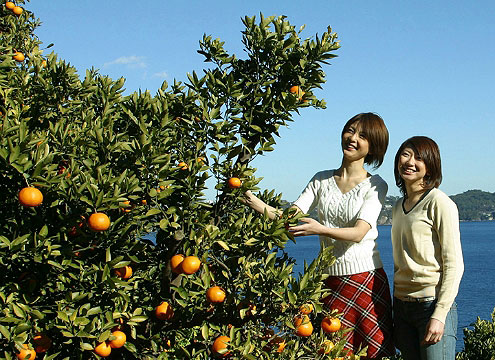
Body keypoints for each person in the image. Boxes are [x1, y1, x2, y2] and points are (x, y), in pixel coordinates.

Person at [243, 113, 395, 359]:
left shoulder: (376, 185)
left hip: (365, 280)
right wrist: (253, 201)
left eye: (363, 136)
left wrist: (320, 228)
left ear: (373, 147)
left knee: (372, 354)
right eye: (350, 130)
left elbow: (359, 232)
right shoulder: (321, 179)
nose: (352, 138)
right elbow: (288, 220)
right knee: (331, 351)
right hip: (329, 281)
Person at [391, 136, 464, 360]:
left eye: (419, 157)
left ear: (430, 165)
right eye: (406, 154)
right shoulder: (397, 206)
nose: (410, 162)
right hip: (402, 308)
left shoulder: (439, 202)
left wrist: (440, 315)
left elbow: (454, 264)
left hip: (430, 306)